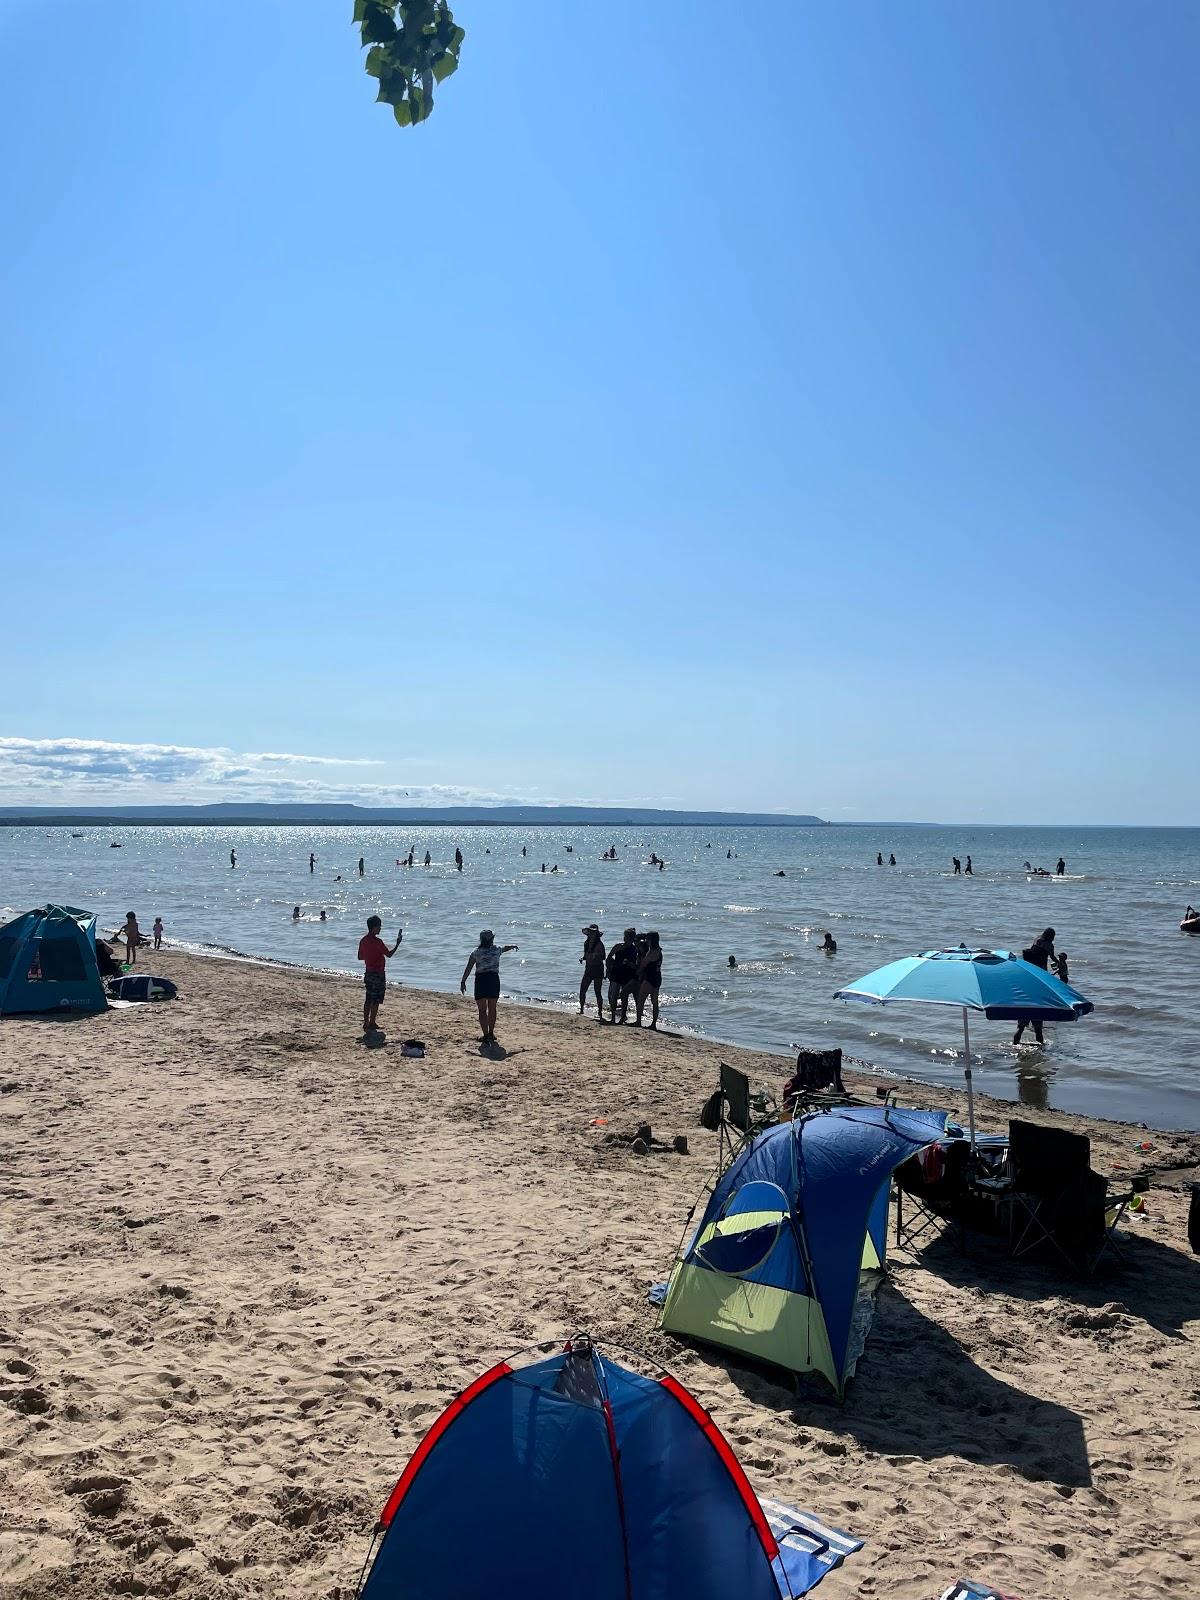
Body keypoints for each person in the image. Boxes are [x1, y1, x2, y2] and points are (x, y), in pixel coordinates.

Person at [461, 930, 518, 1046]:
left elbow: (469, 967)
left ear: (481, 939)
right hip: (493, 980)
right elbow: (505, 948)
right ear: (492, 939)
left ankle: (486, 1035)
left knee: (482, 1010)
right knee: (492, 1008)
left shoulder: (476, 952)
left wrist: (463, 981)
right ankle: (491, 1033)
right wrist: (512, 946)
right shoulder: (496, 950)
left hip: (481, 981)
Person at [358, 916, 402, 1036]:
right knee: (376, 999)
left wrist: (370, 956)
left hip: (368, 972)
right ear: (374, 927)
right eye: (379, 926)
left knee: (368, 997)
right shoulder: (378, 942)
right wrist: (397, 944)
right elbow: (389, 955)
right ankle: (372, 1021)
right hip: (378, 973)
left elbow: (360, 957)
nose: (380, 928)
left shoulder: (363, 940)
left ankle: (366, 1022)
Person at [1013, 927, 1056, 1045]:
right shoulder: (1049, 945)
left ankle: (1015, 1046)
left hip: (1030, 975)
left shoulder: (1037, 940)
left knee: (1020, 1028)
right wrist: (1059, 963)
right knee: (1038, 1029)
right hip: (1040, 976)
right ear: (1052, 936)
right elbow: (1051, 958)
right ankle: (1041, 1051)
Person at [606, 928, 638, 1023]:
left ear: (632, 938)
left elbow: (637, 964)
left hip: (628, 975)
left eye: (628, 937)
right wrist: (608, 969)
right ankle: (612, 1017)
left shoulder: (634, 949)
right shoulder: (618, 946)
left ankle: (623, 1016)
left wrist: (629, 964)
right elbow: (609, 957)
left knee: (624, 996)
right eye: (625, 936)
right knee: (613, 995)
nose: (625, 938)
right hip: (616, 973)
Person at [635, 931, 663, 1029]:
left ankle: (638, 1021)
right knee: (655, 1002)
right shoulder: (659, 951)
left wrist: (638, 973)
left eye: (648, 939)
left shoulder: (651, 952)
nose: (647, 941)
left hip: (649, 978)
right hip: (657, 978)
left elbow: (643, 965)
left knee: (641, 1000)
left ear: (652, 940)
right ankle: (653, 1024)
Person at [579, 925, 606, 1018]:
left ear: (597, 934)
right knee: (582, 989)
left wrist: (595, 955)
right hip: (589, 968)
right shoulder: (586, 943)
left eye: (593, 932)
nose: (591, 934)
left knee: (597, 991)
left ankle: (600, 1012)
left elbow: (603, 957)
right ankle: (581, 1009)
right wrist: (583, 958)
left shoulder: (599, 944)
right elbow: (586, 955)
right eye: (590, 932)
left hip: (598, 968)